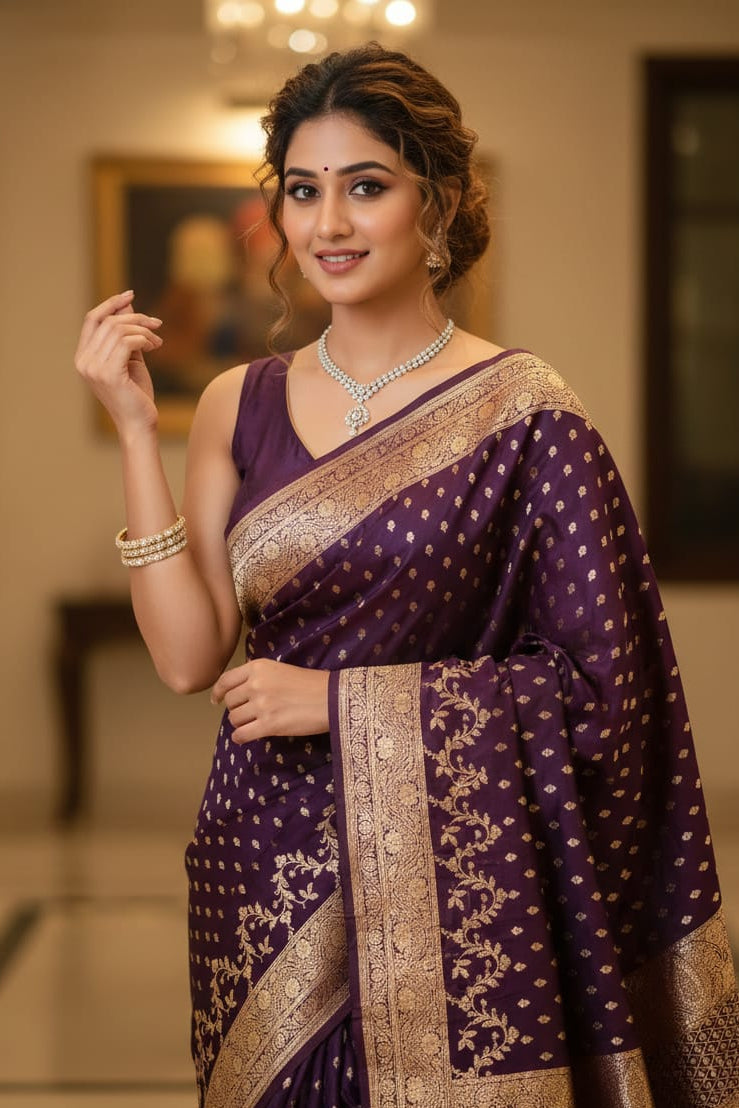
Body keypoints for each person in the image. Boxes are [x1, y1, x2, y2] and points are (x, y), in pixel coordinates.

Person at [74, 42, 739, 1108]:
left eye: (365, 187)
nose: (328, 224)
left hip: (463, 884)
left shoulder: (526, 416)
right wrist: (135, 432)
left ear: (439, 205)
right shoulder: (238, 401)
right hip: (267, 865)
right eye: (303, 191)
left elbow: (606, 695)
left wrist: (337, 702)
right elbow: (189, 657)